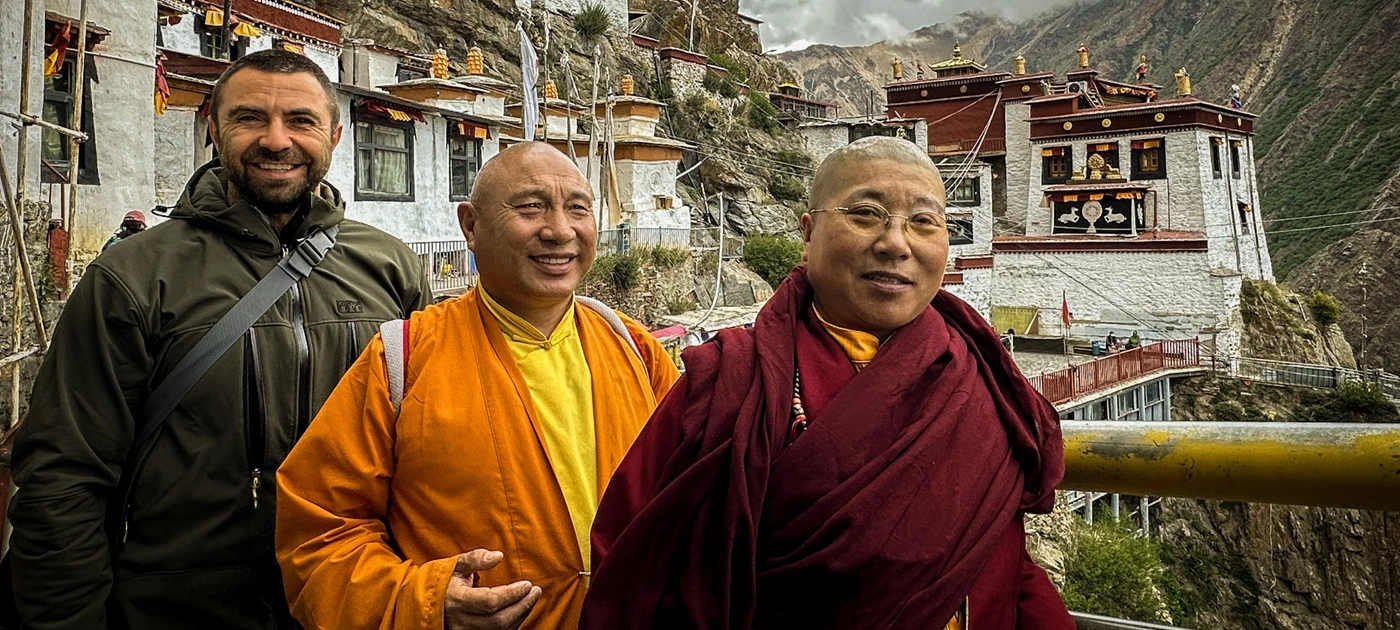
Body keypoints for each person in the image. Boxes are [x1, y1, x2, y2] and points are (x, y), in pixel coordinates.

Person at [8, 49, 429, 629]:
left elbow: (429, 450)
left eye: (301, 121)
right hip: (179, 607)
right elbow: (63, 474)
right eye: (249, 117)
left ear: (334, 135)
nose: (276, 140)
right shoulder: (133, 277)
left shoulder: (389, 268)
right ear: (214, 128)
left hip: (355, 598)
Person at [580, 137, 1072, 629]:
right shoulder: (731, 380)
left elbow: (1004, 560)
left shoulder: (978, 371)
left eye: (923, 221)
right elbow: (632, 562)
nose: (896, 243)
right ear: (809, 232)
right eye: (866, 214)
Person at [276, 142, 681, 630]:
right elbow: (317, 535)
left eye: (578, 208)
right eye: (530, 207)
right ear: (470, 225)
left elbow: (699, 501)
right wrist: (427, 602)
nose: (559, 230)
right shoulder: (404, 358)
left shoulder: (635, 350)